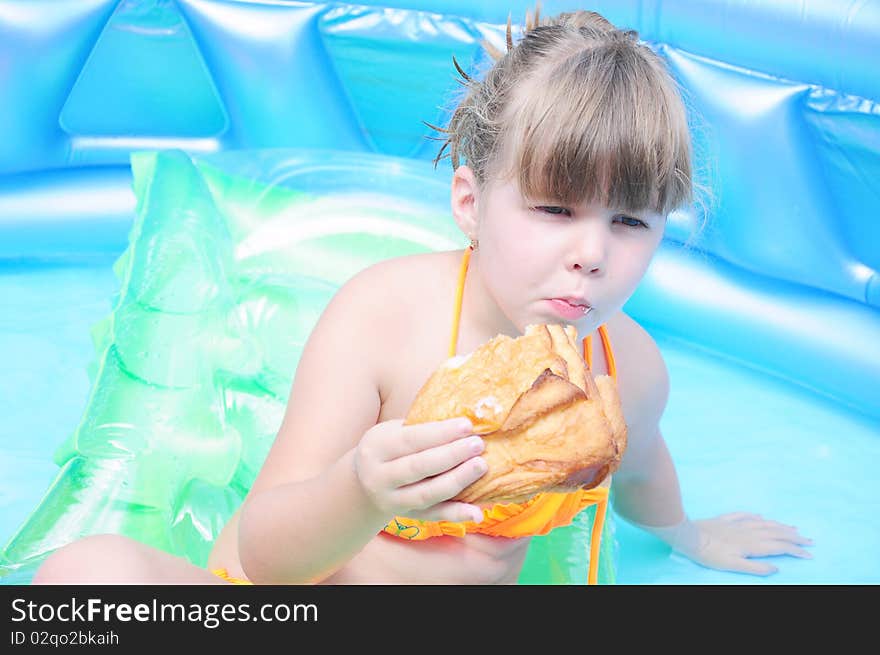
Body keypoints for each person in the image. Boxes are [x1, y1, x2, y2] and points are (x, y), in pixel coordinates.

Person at [32, 6, 812, 585]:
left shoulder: (624, 368)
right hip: (304, 581)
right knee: (82, 578)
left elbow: (641, 465)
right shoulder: (383, 321)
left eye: (631, 221)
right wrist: (361, 490)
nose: (592, 255)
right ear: (470, 203)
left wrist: (686, 533)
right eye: (553, 209)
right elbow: (260, 553)